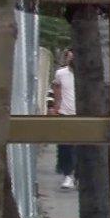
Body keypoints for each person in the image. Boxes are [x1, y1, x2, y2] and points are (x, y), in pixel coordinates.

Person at [49, 49, 77, 190]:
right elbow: (57, 91)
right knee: (66, 146)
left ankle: (78, 175)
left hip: (81, 114)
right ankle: (67, 174)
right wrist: (56, 108)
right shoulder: (61, 73)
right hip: (65, 112)